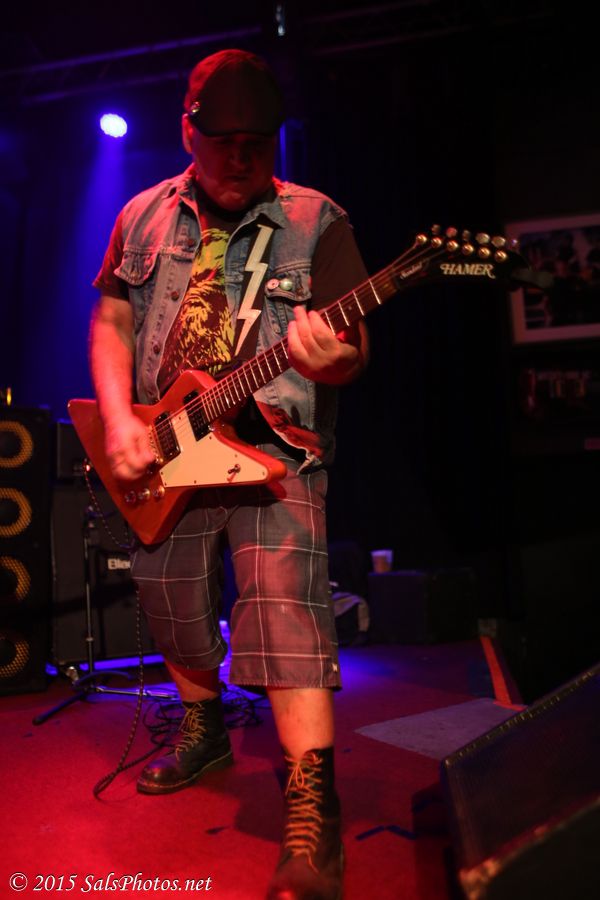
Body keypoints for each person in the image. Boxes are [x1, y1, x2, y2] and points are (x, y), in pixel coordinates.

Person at [90, 48, 369, 900]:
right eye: (224, 142)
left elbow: (352, 350)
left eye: (258, 142)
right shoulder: (141, 215)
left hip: (277, 449)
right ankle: (204, 725)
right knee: (169, 604)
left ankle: (312, 804)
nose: (242, 158)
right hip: (169, 446)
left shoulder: (316, 219)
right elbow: (111, 320)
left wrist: (333, 359)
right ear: (188, 131)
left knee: (287, 608)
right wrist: (118, 420)